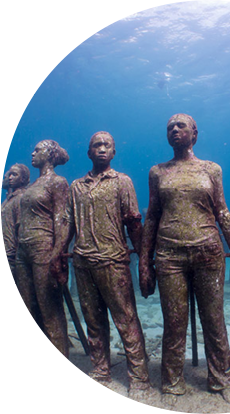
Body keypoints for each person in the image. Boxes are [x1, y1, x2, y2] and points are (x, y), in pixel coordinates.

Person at [139, 114, 230, 404]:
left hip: (208, 252)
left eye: (181, 126)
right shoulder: (157, 172)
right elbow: (151, 217)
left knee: (213, 319)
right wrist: (143, 262)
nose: (174, 130)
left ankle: (221, 378)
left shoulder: (211, 169)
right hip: (169, 255)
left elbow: (223, 212)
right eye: (169, 128)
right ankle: (172, 382)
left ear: (194, 134)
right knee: (174, 322)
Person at [52, 131, 150, 398]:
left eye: (107, 145)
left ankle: (139, 377)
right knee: (93, 322)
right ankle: (100, 371)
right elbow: (68, 224)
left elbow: (134, 223)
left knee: (126, 320)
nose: (102, 149)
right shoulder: (76, 186)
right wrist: (59, 253)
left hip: (113, 261)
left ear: (114, 152)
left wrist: (144, 261)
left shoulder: (122, 182)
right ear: (89, 152)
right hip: (83, 263)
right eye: (97, 145)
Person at [15, 140, 69, 360]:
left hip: (43, 249)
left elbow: (62, 221)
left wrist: (57, 255)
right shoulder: (30, 187)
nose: (32, 152)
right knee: (28, 310)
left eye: (37, 150)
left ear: (50, 154)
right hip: (23, 251)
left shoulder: (58, 182)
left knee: (50, 310)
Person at [1, 164, 30, 298]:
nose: (10, 177)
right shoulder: (8, 200)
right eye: (9, 174)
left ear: (23, 179)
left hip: (13, 255)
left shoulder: (21, 198)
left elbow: (21, 226)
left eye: (14, 174)